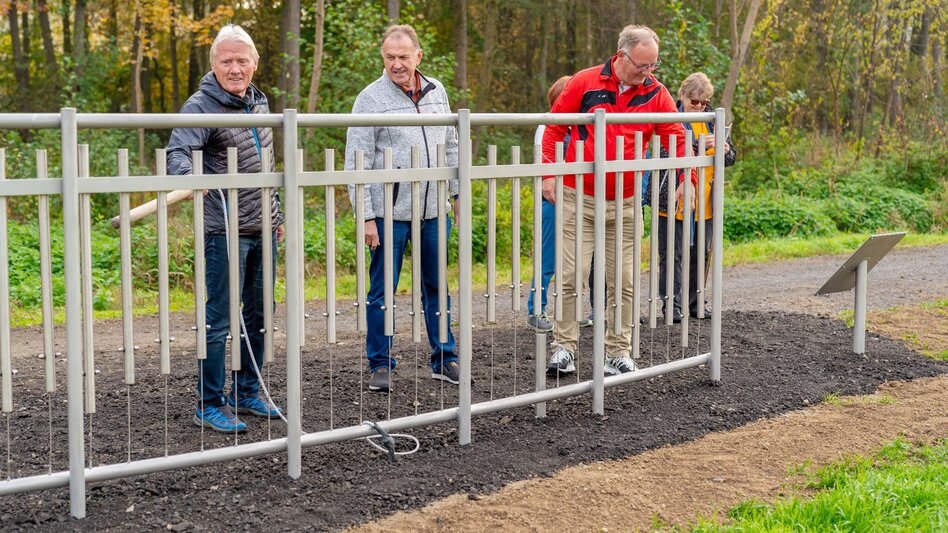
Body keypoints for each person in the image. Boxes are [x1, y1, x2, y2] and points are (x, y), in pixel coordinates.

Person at [541, 24, 695, 376]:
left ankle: (617, 351)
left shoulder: (656, 92)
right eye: (642, 65)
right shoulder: (585, 81)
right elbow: (553, 128)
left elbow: (678, 134)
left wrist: (688, 176)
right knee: (571, 275)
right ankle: (563, 348)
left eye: (653, 65)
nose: (648, 73)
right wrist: (548, 174)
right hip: (578, 197)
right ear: (621, 57)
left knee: (624, 280)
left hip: (626, 202)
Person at [167, 24, 285, 433]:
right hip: (224, 229)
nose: (235, 68)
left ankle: (248, 392)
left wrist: (277, 213)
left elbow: (266, 165)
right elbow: (179, 151)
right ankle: (209, 402)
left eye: (242, 60)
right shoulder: (200, 106)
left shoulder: (260, 102)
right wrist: (187, 175)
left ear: (255, 63)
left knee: (259, 316)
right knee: (220, 320)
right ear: (214, 64)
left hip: (263, 228)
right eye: (226, 61)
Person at [345, 24, 460, 393]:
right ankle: (381, 364)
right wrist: (365, 215)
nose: (397, 64)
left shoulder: (437, 91)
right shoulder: (369, 99)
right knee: (382, 292)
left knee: (436, 285)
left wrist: (455, 196)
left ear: (418, 56)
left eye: (403, 57)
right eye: (390, 57)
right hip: (388, 214)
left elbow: (452, 145)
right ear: (383, 57)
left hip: (433, 211)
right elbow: (355, 162)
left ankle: (444, 357)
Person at [657, 72, 737, 322]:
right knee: (673, 254)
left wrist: (724, 149)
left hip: (706, 201)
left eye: (704, 102)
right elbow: (663, 152)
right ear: (682, 96)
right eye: (694, 101)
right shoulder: (670, 119)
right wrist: (697, 145)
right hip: (676, 198)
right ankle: (672, 305)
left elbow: (732, 158)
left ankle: (695, 302)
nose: (700, 106)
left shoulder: (714, 120)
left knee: (700, 254)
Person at [527, 75, 596, 333]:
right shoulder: (548, 126)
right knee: (548, 258)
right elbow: (542, 159)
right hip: (553, 201)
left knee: (576, 261)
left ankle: (571, 313)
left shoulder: (580, 126)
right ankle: (537, 309)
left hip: (580, 200)